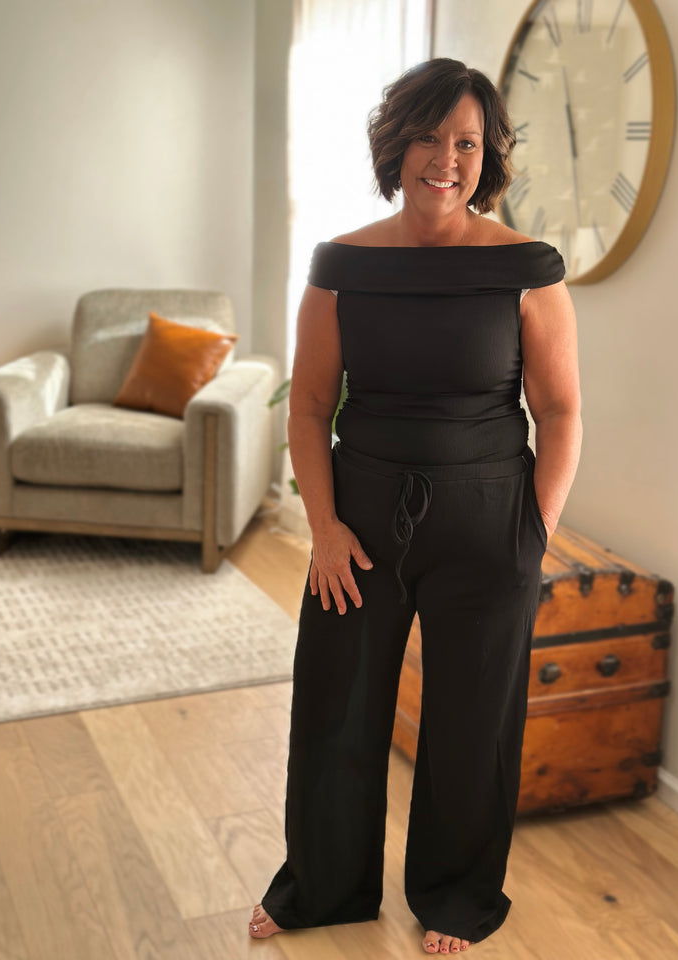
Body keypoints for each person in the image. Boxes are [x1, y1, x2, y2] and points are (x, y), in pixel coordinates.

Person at [249, 57, 582, 955]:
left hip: (490, 527)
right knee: (336, 708)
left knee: (474, 724)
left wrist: (535, 533)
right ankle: (322, 885)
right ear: (396, 144)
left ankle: (457, 897)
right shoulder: (342, 264)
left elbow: (559, 410)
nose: (447, 159)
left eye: (467, 142)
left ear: (489, 156)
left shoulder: (526, 265)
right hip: (356, 527)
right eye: (430, 137)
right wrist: (320, 528)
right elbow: (312, 405)